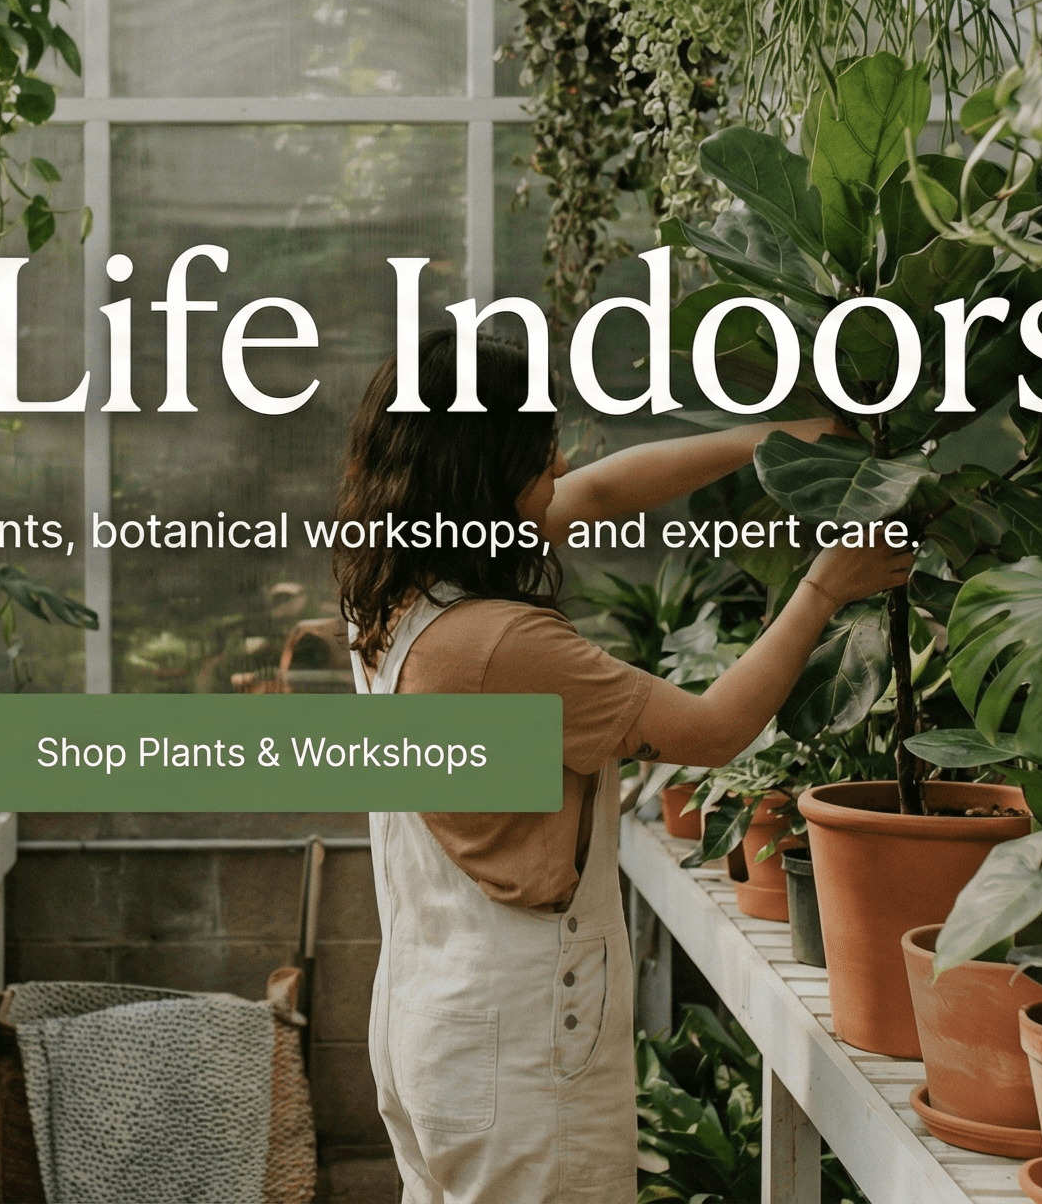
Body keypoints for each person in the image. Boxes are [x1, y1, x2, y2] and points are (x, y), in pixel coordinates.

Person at [332, 327, 913, 1202]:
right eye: (539, 451)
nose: (561, 463)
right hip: (521, 1054)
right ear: (485, 471)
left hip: (428, 1020)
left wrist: (771, 442)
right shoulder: (502, 646)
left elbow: (599, 491)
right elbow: (714, 730)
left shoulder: (389, 584)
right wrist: (826, 587)